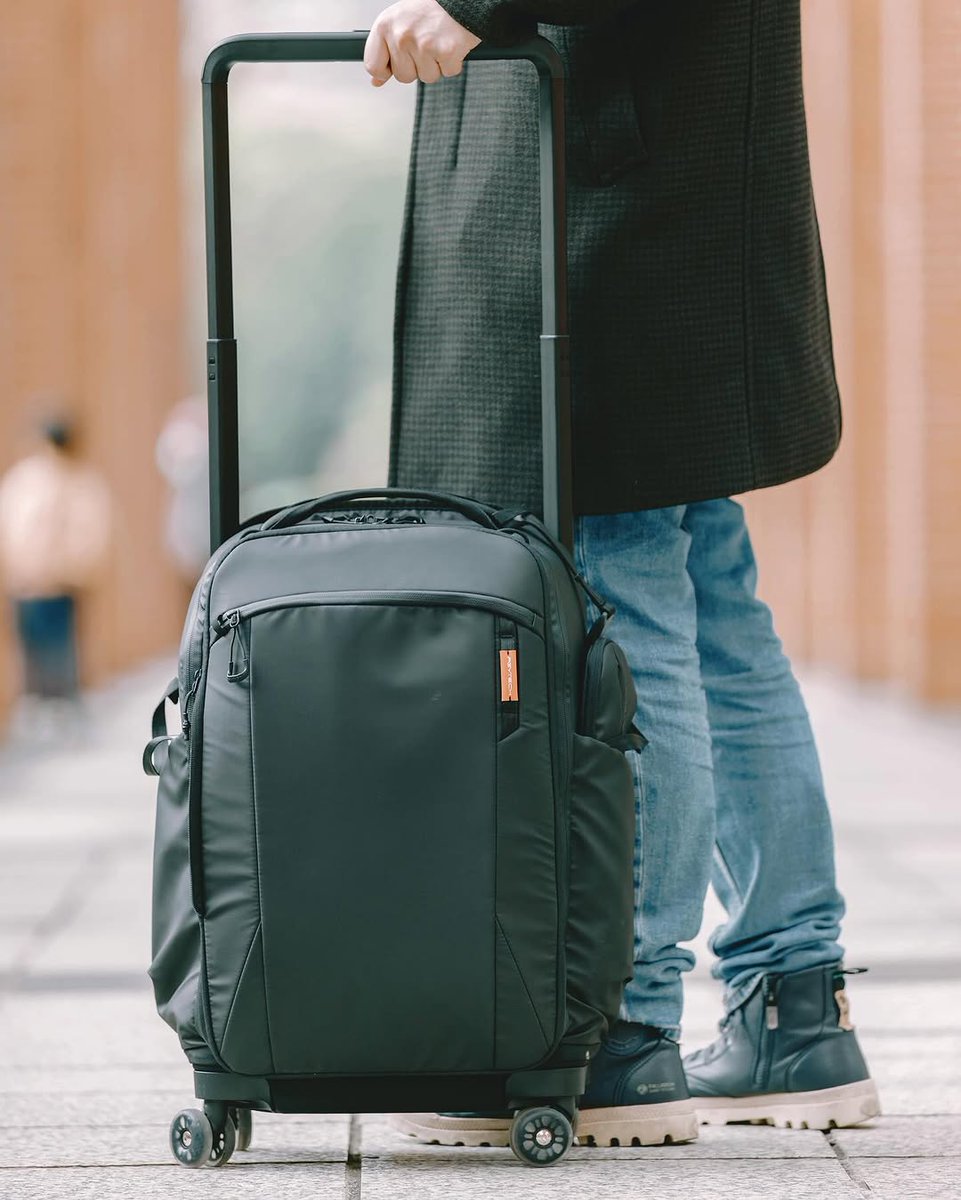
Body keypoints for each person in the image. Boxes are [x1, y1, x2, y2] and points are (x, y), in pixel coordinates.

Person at [363, 0, 881, 1146]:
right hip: (650, 172)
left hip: (613, 183)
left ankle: (619, 1025)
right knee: (705, 596)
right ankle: (791, 1002)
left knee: (622, 584)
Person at [0, 415, 112, 741]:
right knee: (43, 644)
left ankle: (53, 704)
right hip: (41, 578)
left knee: (51, 644)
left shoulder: (31, 480)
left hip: (45, 579)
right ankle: (46, 704)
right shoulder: (67, 480)